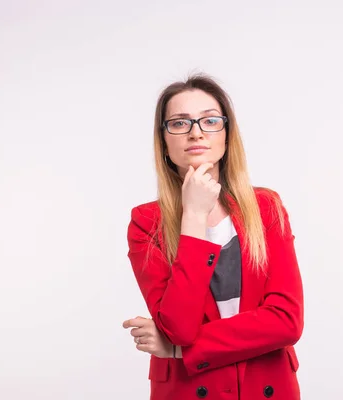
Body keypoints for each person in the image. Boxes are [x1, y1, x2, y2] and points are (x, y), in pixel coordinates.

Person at [122, 73, 304, 400]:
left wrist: (181, 351)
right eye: (179, 123)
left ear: (226, 134)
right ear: (163, 140)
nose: (196, 132)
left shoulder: (267, 208)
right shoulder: (146, 222)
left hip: (266, 385)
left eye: (209, 121)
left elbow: (286, 322)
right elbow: (179, 327)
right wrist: (192, 216)